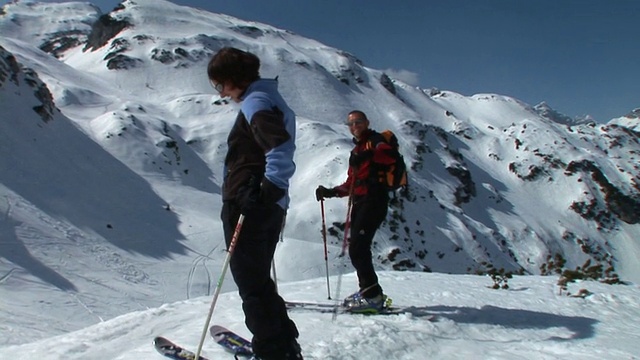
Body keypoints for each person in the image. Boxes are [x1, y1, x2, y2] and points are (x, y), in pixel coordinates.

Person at [207, 47, 302, 360]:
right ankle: (283, 345)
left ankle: (273, 351)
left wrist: (265, 192)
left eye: (220, 85)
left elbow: (279, 147)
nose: (221, 93)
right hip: (263, 205)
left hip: (249, 205)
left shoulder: (256, 101)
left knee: (251, 285)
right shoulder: (265, 96)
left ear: (235, 79)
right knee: (259, 281)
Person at [315, 110, 395, 313]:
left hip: (374, 201)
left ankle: (372, 297)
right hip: (361, 202)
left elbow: (389, 155)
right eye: (351, 123)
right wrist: (331, 192)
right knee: (358, 248)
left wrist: (370, 154)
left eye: (358, 122)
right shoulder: (358, 149)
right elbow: (352, 183)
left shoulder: (375, 141)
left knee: (358, 248)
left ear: (367, 122)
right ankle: (370, 292)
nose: (354, 126)